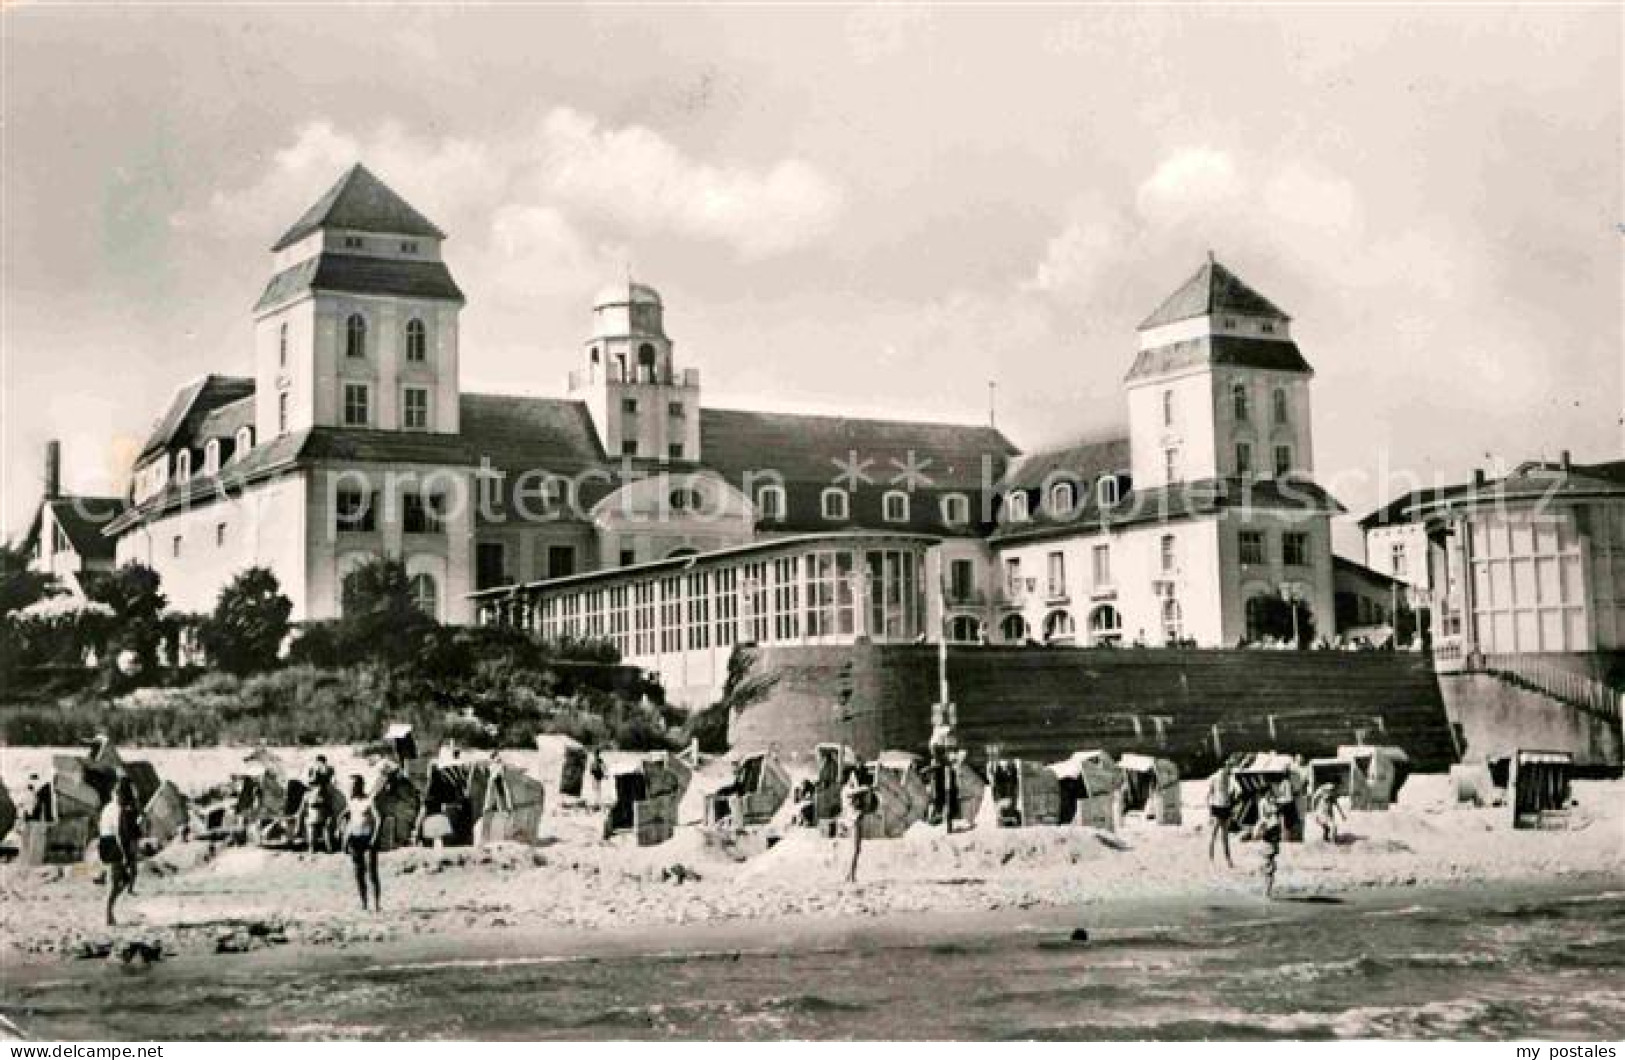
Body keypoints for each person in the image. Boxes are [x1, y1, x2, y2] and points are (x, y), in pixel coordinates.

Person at [98, 779, 140, 926]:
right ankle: (108, 915)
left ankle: (109, 913)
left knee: (122, 880)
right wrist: (124, 854)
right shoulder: (118, 810)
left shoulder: (108, 807)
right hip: (113, 844)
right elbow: (119, 834)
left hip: (106, 842)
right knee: (115, 883)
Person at [344, 775, 381, 911]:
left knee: (372, 873)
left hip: (368, 838)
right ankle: (364, 904)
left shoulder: (369, 801)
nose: (350, 789)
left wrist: (375, 837)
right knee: (358, 873)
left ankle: (376, 905)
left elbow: (379, 819)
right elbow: (348, 815)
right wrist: (341, 828)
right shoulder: (351, 801)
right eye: (349, 786)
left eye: (353, 786)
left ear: (360, 786)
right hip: (355, 838)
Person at [842, 770, 874, 884]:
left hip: (853, 820)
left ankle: (850, 874)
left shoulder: (849, 791)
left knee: (855, 850)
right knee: (855, 850)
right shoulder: (847, 790)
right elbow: (855, 791)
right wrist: (867, 788)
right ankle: (851, 875)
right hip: (854, 821)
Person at [1207, 763, 1237, 867]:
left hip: (1224, 806)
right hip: (1218, 806)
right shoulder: (1216, 777)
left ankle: (1227, 859)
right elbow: (1209, 795)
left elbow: (1231, 792)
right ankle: (1212, 858)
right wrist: (1210, 812)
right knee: (1215, 834)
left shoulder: (1228, 777)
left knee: (1223, 835)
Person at [1255, 795, 1283, 898]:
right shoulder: (1267, 821)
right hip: (1268, 847)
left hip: (1269, 847)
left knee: (1269, 872)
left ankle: (1266, 893)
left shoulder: (1269, 820)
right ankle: (1266, 894)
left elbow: (1257, 835)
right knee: (1269, 872)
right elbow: (1257, 835)